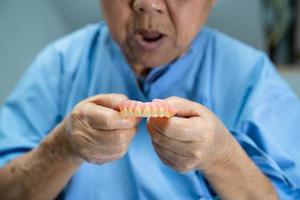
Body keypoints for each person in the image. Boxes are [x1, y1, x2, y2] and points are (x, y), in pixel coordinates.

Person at [0, 0, 299, 199]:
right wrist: (62, 148)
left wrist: (222, 157)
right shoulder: (60, 64)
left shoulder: (252, 77)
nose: (148, 3)